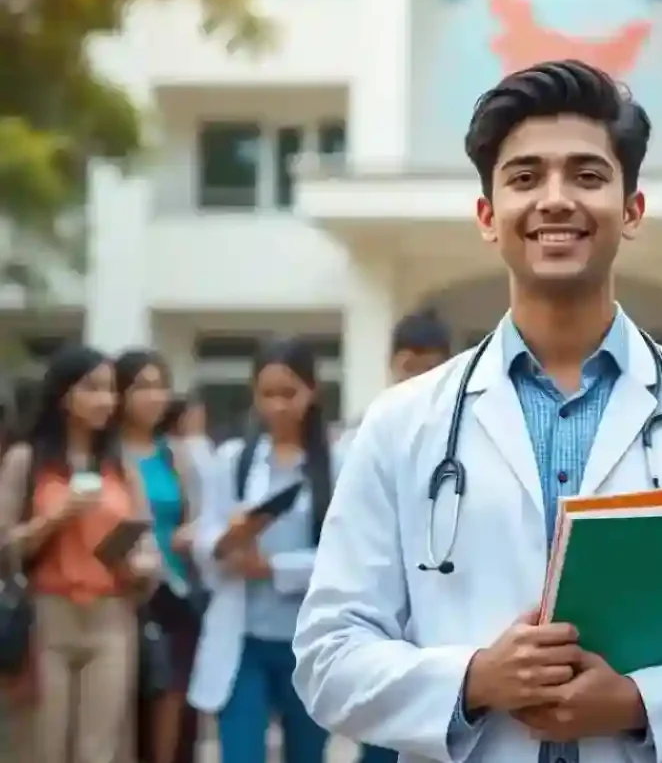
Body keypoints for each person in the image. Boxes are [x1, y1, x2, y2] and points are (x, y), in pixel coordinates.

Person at [294, 59, 662, 762]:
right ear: (488, 217)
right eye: (524, 178)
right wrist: (475, 679)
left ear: (631, 210)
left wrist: (639, 702)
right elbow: (328, 657)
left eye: (587, 175)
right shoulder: (401, 424)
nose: (555, 200)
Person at [0, 342, 159, 763]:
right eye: (93, 388)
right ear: (64, 394)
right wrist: (56, 517)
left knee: (99, 751)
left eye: (110, 390)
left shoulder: (120, 465)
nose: (106, 400)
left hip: (111, 616)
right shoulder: (26, 460)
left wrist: (141, 564)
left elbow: (145, 541)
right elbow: (6, 547)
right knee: (43, 746)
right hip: (48, 616)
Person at [189, 337, 342, 763]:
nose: (278, 406)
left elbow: (347, 557)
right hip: (243, 640)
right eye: (267, 394)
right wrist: (226, 541)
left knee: (307, 754)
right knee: (240, 752)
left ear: (312, 392)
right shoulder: (234, 459)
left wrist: (273, 567)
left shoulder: (338, 463)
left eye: (289, 393)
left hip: (307, 641)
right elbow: (207, 534)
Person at [358, 310, 454, 763]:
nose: (418, 379)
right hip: (378, 632)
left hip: (438, 630)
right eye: (408, 366)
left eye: (430, 366)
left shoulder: (460, 434)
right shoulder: (369, 434)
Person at [115, 349, 203, 763]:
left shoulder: (174, 455)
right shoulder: (107, 455)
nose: (154, 397)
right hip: (119, 593)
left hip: (174, 593)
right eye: (142, 387)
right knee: (122, 705)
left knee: (172, 698)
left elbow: (197, 516)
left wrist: (193, 533)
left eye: (160, 387)